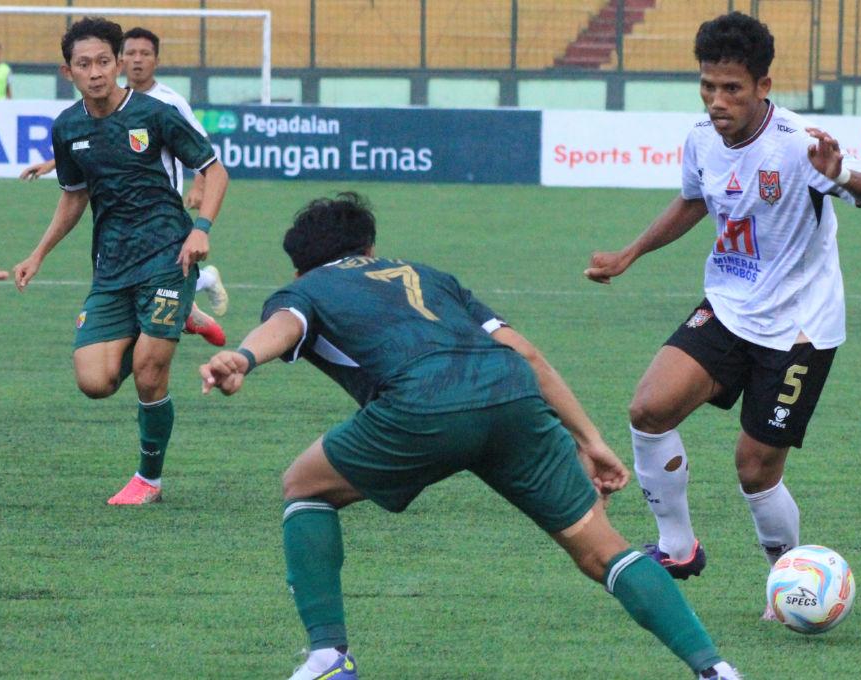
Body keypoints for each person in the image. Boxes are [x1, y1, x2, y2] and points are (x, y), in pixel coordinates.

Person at [198, 193, 743, 680]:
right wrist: (590, 440)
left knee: (305, 487)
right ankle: (714, 669)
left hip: (424, 406)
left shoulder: (308, 287)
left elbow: (287, 322)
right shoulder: (430, 276)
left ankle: (329, 658)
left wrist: (243, 357)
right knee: (603, 550)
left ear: (301, 265)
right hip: (511, 398)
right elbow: (525, 352)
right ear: (369, 246)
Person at [584, 12, 861, 620]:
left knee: (754, 470)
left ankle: (792, 583)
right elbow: (694, 201)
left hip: (800, 330)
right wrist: (631, 253)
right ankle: (677, 547)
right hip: (729, 306)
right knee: (649, 409)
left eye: (732, 88)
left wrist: (843, 174)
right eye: (708, 85)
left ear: (763, 87)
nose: (718, 100)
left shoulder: (800, 145)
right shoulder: (701, 137)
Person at [11, 17, 230, 505]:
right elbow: (73, 196)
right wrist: (38, 253)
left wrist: (201, 229)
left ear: (117, 64)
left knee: (151, 371)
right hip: (112, 264)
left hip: (167, 255)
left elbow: (214, 172)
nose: (96, 73)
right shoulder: (67, 127)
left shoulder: (155, 113)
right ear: (68, 72)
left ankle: (148, 479)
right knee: (95, 381)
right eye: (84, 64)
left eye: (104, 62)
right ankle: (174, 321)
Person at [21, 26, 230, 339]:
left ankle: (177, 312)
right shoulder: (76, 119)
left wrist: (199, 193)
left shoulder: (166, 104)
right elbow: (95, 152)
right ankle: (184, 310)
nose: (137, 60)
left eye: (144, 54)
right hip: (116, 239)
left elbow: (205, 154)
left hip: (164, 229)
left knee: (152, 347)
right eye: (131, 53)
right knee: (98, 372)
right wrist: (55, 162)